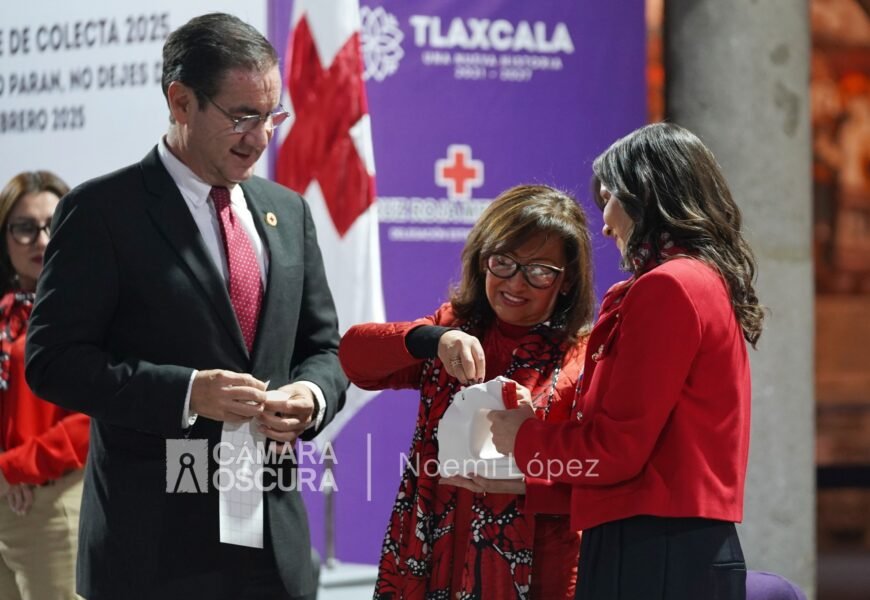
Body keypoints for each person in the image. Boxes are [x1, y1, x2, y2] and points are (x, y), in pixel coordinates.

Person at [25, 13, 346, 600]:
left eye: (272, 115)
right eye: (242, 117)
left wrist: (312, 395)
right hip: (152, 549)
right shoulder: (102, 213)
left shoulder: (289, 212)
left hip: (274, 546)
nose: (261, 137)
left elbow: (324, 347)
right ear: (180, 102)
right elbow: (53, 361)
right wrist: (188, 392)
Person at [489, 123, 764, 600]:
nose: (605, 223)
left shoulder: (669, 287)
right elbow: (650, 459)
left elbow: (618, 447)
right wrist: (525, 479)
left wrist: (523, 438)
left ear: (646, 196)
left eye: (609, 198)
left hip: (653, 554)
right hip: (663, 546)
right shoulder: (698, 281)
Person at [339, 184, 596, 599]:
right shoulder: (453, 326)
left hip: (534, 566)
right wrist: (431, 339)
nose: (516, 283)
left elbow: (602, 476)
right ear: (482, 262)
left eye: (540, 271)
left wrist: (531, 486)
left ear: (566, 282)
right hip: (430, 551)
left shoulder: (582, 360)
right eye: (504, 263)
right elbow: (353, 358)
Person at [0, 171, 88, 600]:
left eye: (54, 224)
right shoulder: (2, 312)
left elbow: (99, 413)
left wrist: (18, 466)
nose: (41, 238)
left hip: (53, 499)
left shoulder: (91, 308)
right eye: (24, 227)